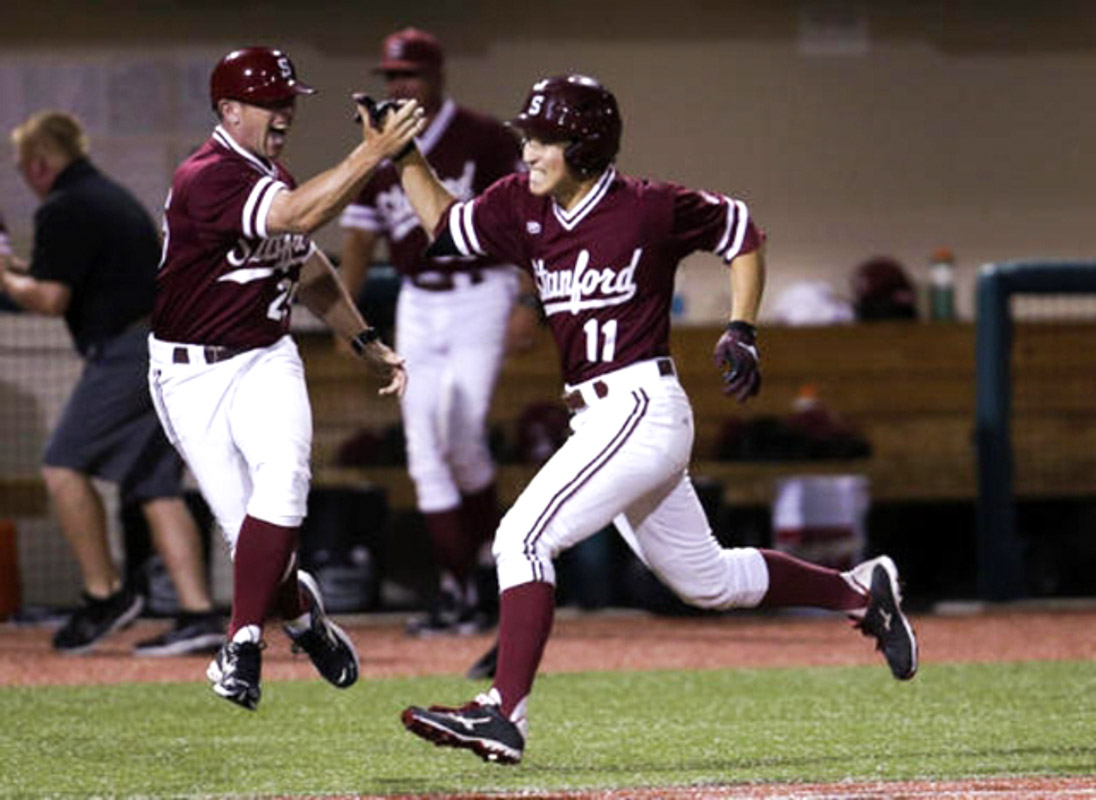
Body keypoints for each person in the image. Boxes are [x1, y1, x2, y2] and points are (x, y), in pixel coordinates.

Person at [390, 74, 919, 764]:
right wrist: (399, 154)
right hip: (603, 419)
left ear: (584, 142)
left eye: (543, 137)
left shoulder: (648, 207)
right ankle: (859, 591)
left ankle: (503, 712)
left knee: (521, 538)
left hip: (641, 406)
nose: (528, 150)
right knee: (709, 582)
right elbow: (443, 223)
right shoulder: (522, 203)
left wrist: (742, 326)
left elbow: (742, 232)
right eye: (529, 136)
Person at [148, 46, 422, 710]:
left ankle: (241, 644)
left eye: (288, 100)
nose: (285, 113)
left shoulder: (271, 173)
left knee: (285, 477)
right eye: (272, 102)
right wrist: (372, 154)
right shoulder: (207, 175)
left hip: (266, 359)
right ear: (230, 110)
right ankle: (300, 617)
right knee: (253, 548)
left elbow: (307, 263)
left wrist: (362, 337)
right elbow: (299, 216)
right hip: (189, 377)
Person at [1, 112, 224, 657]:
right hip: (164, 347)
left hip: (127, 353)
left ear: (38, 163)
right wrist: (15, 269)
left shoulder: (63, 207)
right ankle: (198, 614)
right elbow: (68, 278)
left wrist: (3, 277)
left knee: (60, 465)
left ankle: (104, 594)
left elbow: (52, 298)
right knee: (154, 487)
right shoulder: (107, 196)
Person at [339, 27, 534, 637]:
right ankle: (459, 589)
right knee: (425, 445)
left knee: (462, 433)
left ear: (437, 77)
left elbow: (529, 220)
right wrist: (353, 324)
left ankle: (480, 568)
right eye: (392, 77)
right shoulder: (378, 145)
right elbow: (358, 240)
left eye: (410, 75)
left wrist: (530, 298)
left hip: (483, 293)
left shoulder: (483, 136)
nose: (399, 86)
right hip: (417, 301)